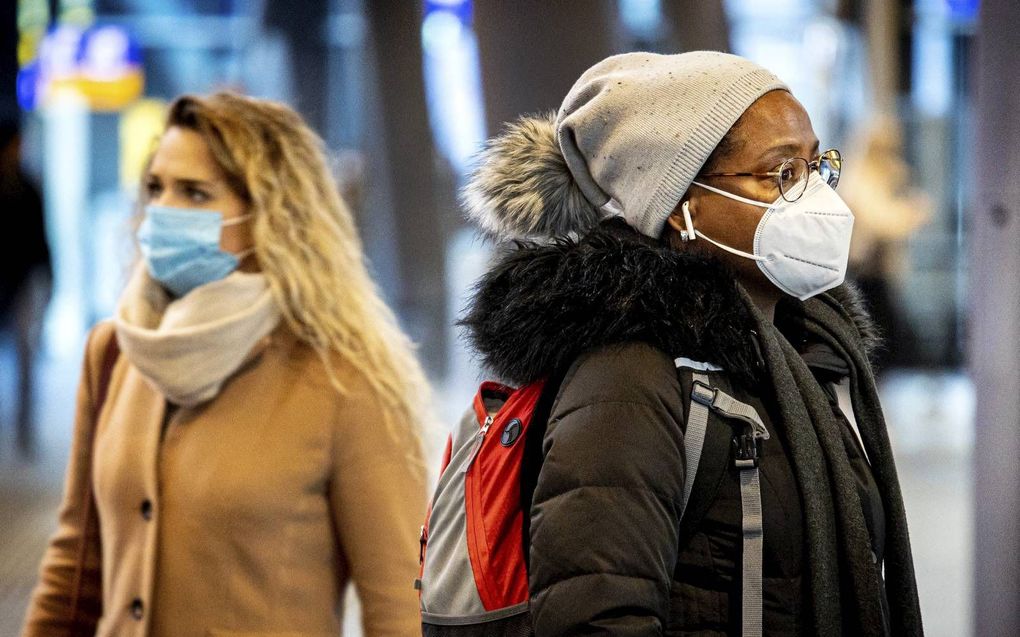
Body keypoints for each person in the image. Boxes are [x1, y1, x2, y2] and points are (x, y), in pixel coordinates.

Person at [459, 52, 923, 636]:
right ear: (683, 206)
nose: (814, 196)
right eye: (780, 173)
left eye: (814, 165)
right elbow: (598, 615)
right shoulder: (628, 378)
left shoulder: (801, 352)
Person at [22, 92, 429, 636]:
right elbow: (76, 566)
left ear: (271, 215)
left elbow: (399, 605)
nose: (163, 211)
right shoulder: (116, 352)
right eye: (155, 188)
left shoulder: (346, 379)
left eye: (194, 193)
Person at [0, 119, 52, 457]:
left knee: (25, 361)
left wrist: (50, 278)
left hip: (22, 285)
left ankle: (25, 431)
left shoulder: (29, 186)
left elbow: (42, 238)